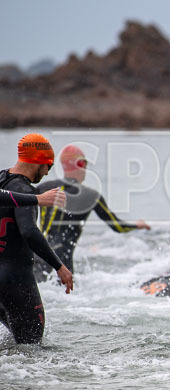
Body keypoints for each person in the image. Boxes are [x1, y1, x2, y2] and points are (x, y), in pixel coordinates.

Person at [34, 144, 150, 280]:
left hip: (38, 255)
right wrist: (137, 225)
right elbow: (117, 227)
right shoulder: (91, 196)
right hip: (62, 263)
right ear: (80, 164)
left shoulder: (43, 188)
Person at [0, 134, 73, 344]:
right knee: (31, 351)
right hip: (16, 281)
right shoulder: (25, 190)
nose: (48, 172)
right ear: (40, 161)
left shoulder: (2, 181)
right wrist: (59, 266)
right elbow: (29, 231)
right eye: (48, 165)